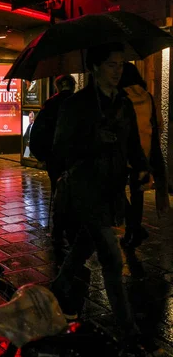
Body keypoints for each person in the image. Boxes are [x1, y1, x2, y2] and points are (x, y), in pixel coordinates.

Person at [51, 43, 149, 337]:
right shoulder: (76, 105)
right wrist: (94, 141)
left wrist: (142, 166)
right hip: (85, 191)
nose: (118, 71)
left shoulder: (123, 102)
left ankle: (55, 290)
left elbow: (131, 142)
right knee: (112, 257)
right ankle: (127, 329)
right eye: (111, 65)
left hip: (112, 189)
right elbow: (59, 151)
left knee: (82, 247)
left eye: (121, 65)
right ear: (94, 68)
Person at [119, 62, 169, 249]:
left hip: (125, 152)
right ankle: (134, 230)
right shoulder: (147, 96)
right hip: (145, 152)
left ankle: (133, 228)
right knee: (137, 193)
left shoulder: (120, 96)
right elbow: (157, 125)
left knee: (116, 190)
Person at [29, 75, 76, 244]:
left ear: (57, 87)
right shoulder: (80, 103)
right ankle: (73, 225)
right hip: (75, 157)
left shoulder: (49, 104)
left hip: (54, 156)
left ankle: (58, 227)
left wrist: (42, 156)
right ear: (73, 86)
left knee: (58, 189)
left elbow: (37, 133)